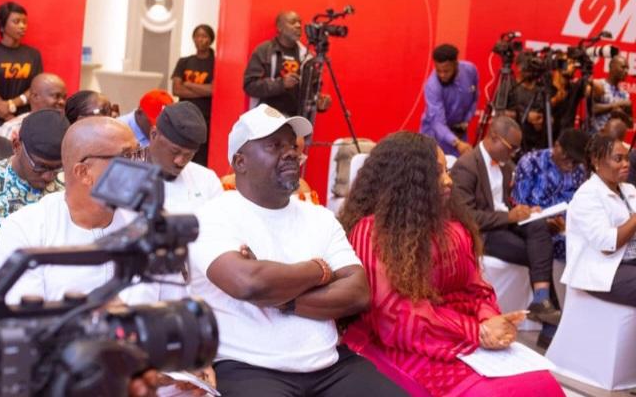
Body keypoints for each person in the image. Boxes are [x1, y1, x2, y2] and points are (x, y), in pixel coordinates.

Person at [187, 104, 406, 397]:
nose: (290, 153)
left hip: (329, 365)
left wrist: (281, 299)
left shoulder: (320, 217)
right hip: (248, 367)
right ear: (240, 162)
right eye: (274, 145)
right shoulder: (212, 216)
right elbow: (248, 283)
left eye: (292, 145)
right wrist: (320, 271)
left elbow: (358, 293)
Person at [339, 132, 563, 396]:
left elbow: (477, 289)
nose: (448, 180)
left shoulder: (452, 227)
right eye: (436, 173)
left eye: (446, 171)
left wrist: (490, 320)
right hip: (403, 343)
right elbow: (395, 317)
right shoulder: (373, 232)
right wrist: (475, 331)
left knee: (543, 384)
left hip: (459, 336)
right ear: (406, 180)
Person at [0, 116, 143, 304]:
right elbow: (24, 316)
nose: (141, 166)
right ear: (83, 172)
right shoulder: (26, 230)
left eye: (139, 153)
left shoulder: (146, 221)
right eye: (127, 157)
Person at [450, 116, 560, 326]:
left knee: (539, 226)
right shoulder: (466, 166)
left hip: (505, 224)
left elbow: (503, 204)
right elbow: (465, 216)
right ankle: (547, 313)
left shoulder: (506, 166)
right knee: (538, 252)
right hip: (483, 232)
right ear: (493, 137)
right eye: (512, 147)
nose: (514, 153)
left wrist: (526, 212)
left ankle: (542, 301)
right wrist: (509, 216)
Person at [119, 101, 223, 303]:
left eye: (189, 155)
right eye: (175, 151)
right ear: (154, 134)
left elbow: (217, 234)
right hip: (136, 290)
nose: (180, 161)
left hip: (196, 290)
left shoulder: (206, 179)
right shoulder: (125, 174)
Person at [0, 109, 69, 248]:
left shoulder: (70, 183)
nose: (48, 176)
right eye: (40, 166)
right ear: (16, 146)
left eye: (58, 167)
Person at [562, 134, 636, 306]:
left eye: (627, 158)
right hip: (603, 268)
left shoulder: (629, 189)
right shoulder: (587, 195)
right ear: (596, 161)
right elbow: (607, 245)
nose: (626, 164)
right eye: (618, 159)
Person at [512, 128, 590, 262]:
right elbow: (519, 208)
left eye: (576, 161)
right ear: (557, 146)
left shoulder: (580, 171)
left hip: (568, 230)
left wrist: (569, 225)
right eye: (567, 157)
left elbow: (582, 206)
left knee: (593, 246)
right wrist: (545, 223)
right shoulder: (530, 163)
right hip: (535, 228)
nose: (570, 164)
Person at [0, 1, 43, 123]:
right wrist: (7, 117)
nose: (22, 26)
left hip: (25, 119)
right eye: (16, 22)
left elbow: (36, 88)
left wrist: (13, 104)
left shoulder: (33, 55)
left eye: (24, 22)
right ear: (2, 26)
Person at [243, 11, 310, 116]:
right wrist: (281, 84)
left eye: (299, 23)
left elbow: (311, 90)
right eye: (293, 22)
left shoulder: (307, 56)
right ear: (279, 27)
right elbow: (250, 86)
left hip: (295, 120)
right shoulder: (264, 50)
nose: (298, 26)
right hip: (265, 118)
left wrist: (318, 102)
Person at [420, 44, 479, 156]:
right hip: (436, 135)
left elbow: (474, 97)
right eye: (438, 71)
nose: (442, 75)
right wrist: (456, 142)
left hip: (460, 132)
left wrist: (466, 120)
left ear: (456, 64)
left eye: (446, 71)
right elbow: (437, 122)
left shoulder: (470, 70)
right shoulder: (432, 86)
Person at [172, 24, 216, 165]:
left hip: (205, 118)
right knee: (180, 154)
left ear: (210, 39)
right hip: (183, 116)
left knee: (200, 157)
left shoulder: (215, 63)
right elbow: (176, 90)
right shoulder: (184, 62)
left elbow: (213, 90)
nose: (200, 39)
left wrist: (188, 84)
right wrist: (203, 90)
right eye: (197, 36)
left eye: (204, 36)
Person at [0, 72, 67, 141]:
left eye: (64, 97)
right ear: (35, 96)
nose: (62, 102)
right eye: (56, 96)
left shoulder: (68, 128)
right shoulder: (12, 129)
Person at [591, 55, 632, 133]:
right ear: (612, 67)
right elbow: (592, 109)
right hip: (593, 136)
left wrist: (622, 115)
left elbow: (630, 125)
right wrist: (616, 105)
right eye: (623, 67)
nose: (626, 71)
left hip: (612, 138)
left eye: (627, 68)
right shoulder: (599, 85)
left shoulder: (625, 95)